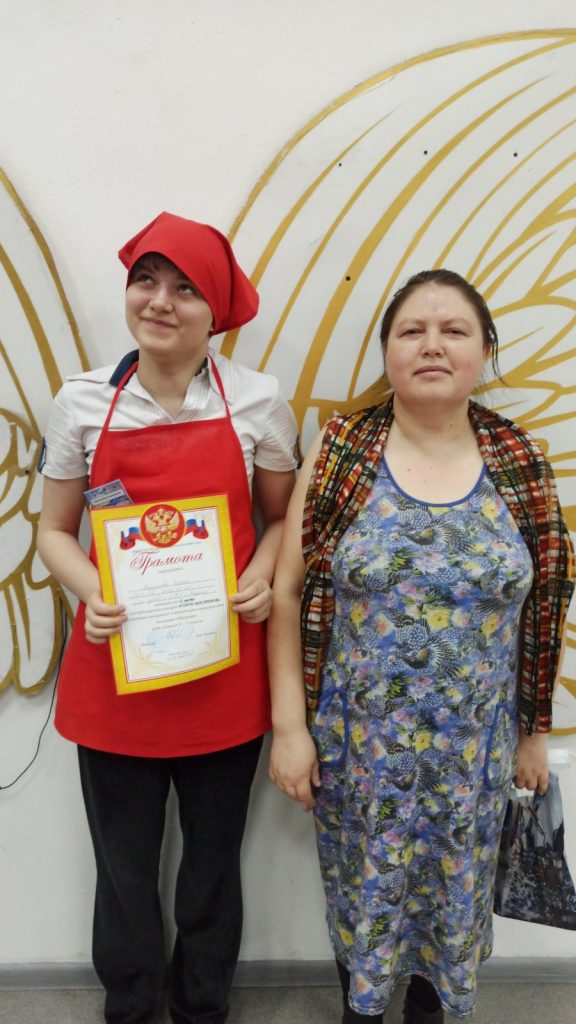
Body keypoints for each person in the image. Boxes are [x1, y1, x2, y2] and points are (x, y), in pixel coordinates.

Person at [268, 269, 574, 1024]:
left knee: (451, 920)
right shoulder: (342, 451)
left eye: (453, 330)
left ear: (483, 350)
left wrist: (535, 734)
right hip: (360, 758)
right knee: (364, 918)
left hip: (473, 764)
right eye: (412, 330)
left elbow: (546, 603)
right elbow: (288, 593)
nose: (432, 345)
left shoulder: (519, 462)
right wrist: (289, 729)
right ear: (388, 351)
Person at [37, 212, 298, 1024]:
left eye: (185, 289)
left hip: (224, 674)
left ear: (215, 312)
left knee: (212, 865)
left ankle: (201, 1006)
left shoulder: (259, 401)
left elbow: (284, 520)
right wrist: (92, 589)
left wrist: (259, 574)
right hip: (115, 673)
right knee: (123, 870)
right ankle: (129, 1006)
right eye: (145, 280)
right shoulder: (82, 402)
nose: (159, 301)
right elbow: (53, 531)